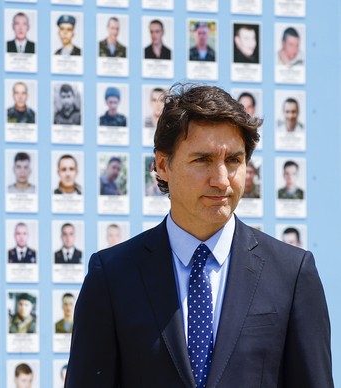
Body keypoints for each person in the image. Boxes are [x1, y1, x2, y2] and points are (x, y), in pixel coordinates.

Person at [66, 84, 332, 387]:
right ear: (163, 165)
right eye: (202, 160)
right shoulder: (112, 277)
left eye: (233, 160)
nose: (221, 180)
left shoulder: (292, 274)